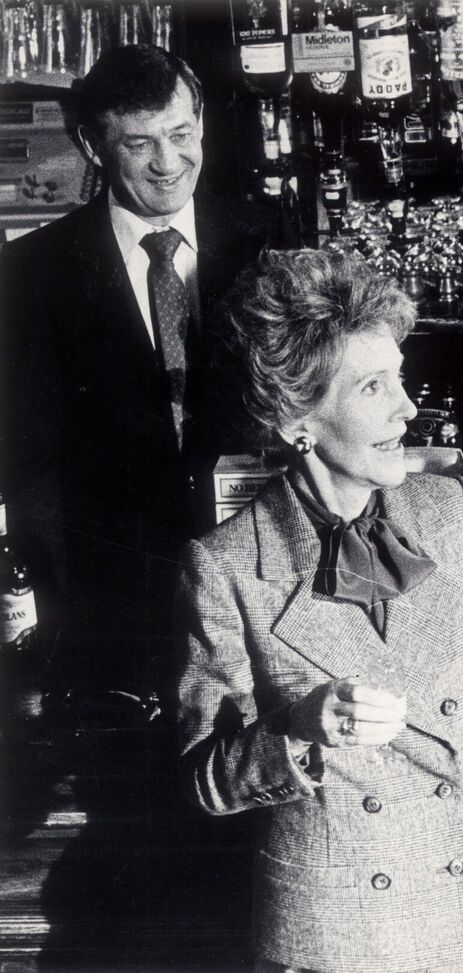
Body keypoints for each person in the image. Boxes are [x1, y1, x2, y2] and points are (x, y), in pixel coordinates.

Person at [175, 249, 463, 973]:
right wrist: (299, 729)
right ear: (297, 419)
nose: (407, 407)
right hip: (339, 933)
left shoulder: (450, 508)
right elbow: (206, 777)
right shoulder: (227, 564)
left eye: (400, 377)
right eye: (372, 387)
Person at [0, 45, 285, 702]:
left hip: (260, 589)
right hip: (111, 617)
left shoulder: (263, 239)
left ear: (203, 124)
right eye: (139, 143)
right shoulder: (32, 273)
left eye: (181, 134)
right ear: (93, 146)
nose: (168, 162)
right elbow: (30, 470)